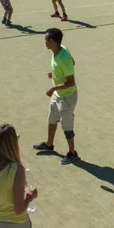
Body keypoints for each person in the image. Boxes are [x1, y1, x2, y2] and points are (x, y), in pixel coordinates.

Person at [32, 28, 79, 165]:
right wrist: (55, 74)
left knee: (66, 125)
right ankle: (49, 144)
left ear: (52, 41)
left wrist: (53, 87)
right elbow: (73, 62)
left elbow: (71, 82)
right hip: (58, 94)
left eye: (45, 40)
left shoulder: (63, 58)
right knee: (52, 118)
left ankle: (72, 153)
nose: (44, 42)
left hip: (67, 97)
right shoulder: (61, 49)